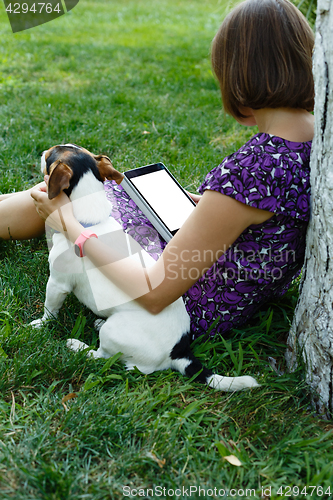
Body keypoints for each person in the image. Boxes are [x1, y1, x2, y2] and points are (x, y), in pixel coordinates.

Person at [0, 0, 314, 339]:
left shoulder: (254, 168)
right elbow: (259, 216)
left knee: (80, 193)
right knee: (113, 192)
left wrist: (68, 224)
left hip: (177, 310)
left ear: (238, 75)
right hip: (228, 292)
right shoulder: (315, 139)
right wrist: (208, 206)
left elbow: (153, 293)